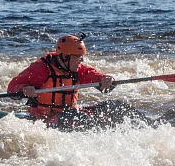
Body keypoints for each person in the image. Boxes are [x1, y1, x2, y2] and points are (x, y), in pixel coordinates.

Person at [8, 34, 147, 130]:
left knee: (116, 106)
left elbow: (95, 76)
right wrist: (25, 89)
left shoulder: (78, 68)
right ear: (64, 57)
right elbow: (12, 87)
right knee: (77, 117)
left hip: (71, 113)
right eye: (78, 57)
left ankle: (148, 124)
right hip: (43, 119)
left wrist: (105, 80)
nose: (82, 61)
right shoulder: (41, 69)